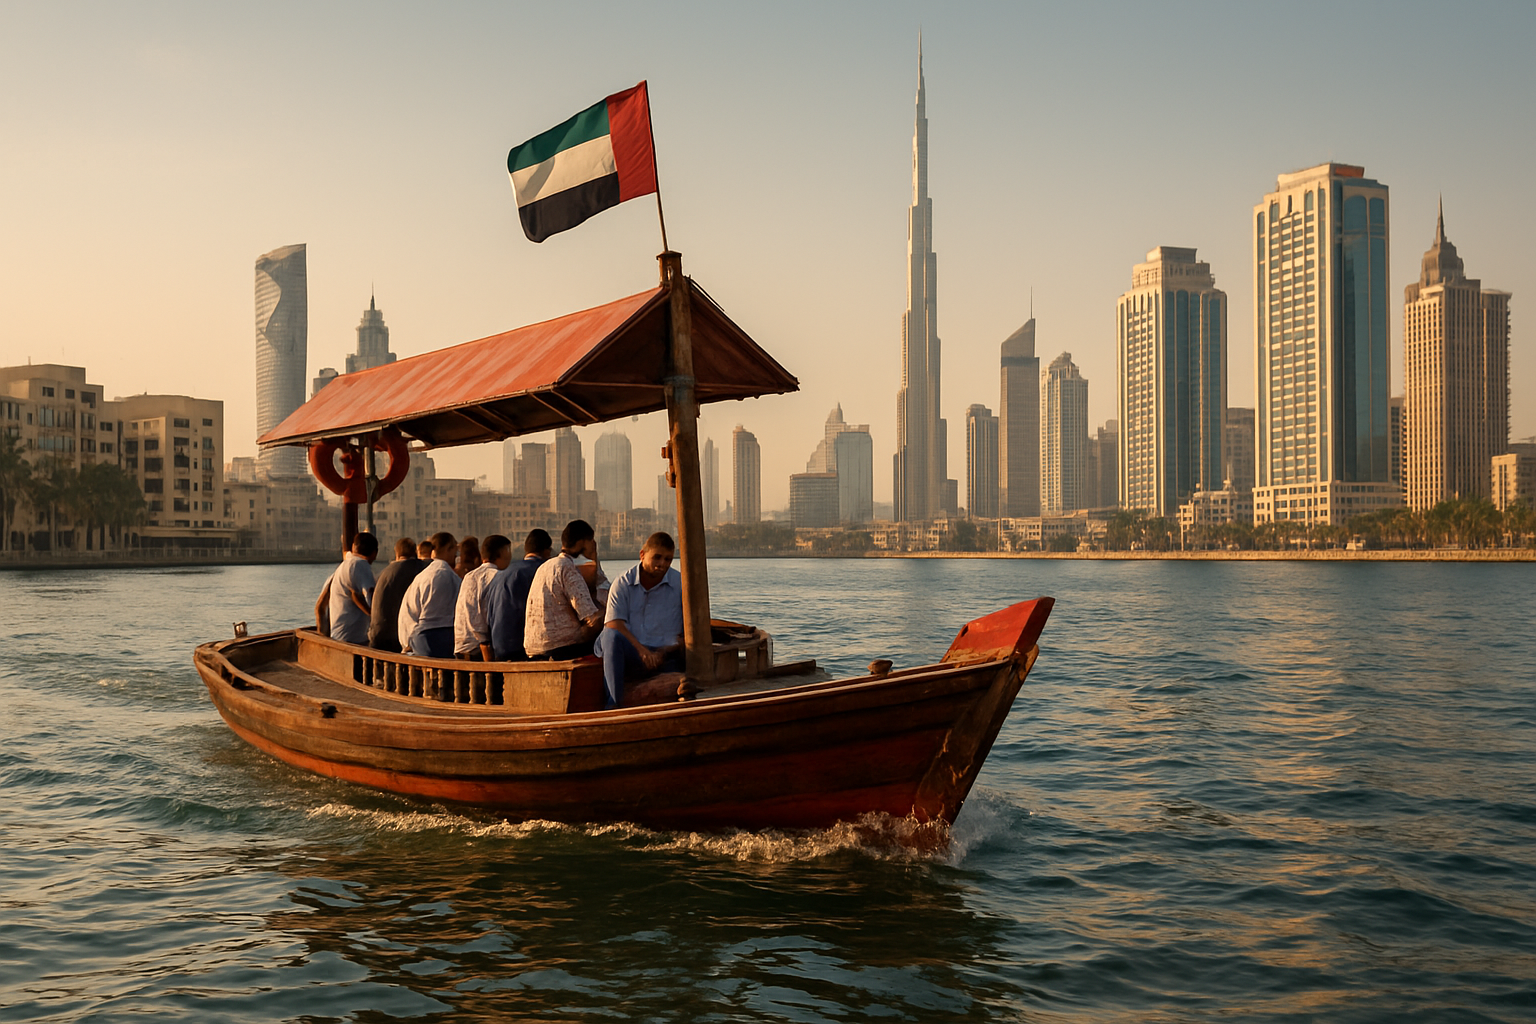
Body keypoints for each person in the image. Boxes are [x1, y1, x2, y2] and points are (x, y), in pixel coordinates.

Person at [594, 532, 685, 708]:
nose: (662, 564)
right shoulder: (623, 583)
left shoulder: (680, 583)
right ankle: (613, 706)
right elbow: (614, 623)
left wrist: (663, 652)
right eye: (657, 557)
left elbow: (686, 628)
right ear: (642, 555)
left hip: (664, 655)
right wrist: (642, 651)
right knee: (609, 636)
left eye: (668, 559)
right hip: (633, 651)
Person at [524, 520, 607, 661]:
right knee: (610, 634)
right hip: (560, 648)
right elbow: (592, 619)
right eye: (591, 541)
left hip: (534, 648)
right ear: (582, 543)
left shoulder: (546, 566)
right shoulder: (567, 568)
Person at [483, 529, 553, 661]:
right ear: (547, 552)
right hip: (522, 650)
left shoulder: (500, 574)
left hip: (499, 648)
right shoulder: (541, 571)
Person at [398, 531, 461, 658]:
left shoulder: (423, 576)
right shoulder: (444, 575)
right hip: (429, 644)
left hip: (410, 640)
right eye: (455, 549)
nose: (457, 555)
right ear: (448, 548)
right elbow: (437, 622)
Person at [454, 533, 510, 660]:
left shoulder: (469, 577)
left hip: (462, 647)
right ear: (503, 553)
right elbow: (481, 621)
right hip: (480, 651)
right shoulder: (497, 577)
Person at [368, 536, 426, 652]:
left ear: (397, 553)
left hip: (377, 634)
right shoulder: (416, 568)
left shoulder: (385, 572)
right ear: (414, 552)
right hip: (394, 637)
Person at [324, 532, 379, 645]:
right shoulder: (361, 565)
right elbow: (372, 601)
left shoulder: (343, 566)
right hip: (354, 638)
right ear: (375, 553)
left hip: (338, 635)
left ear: (354, 547)